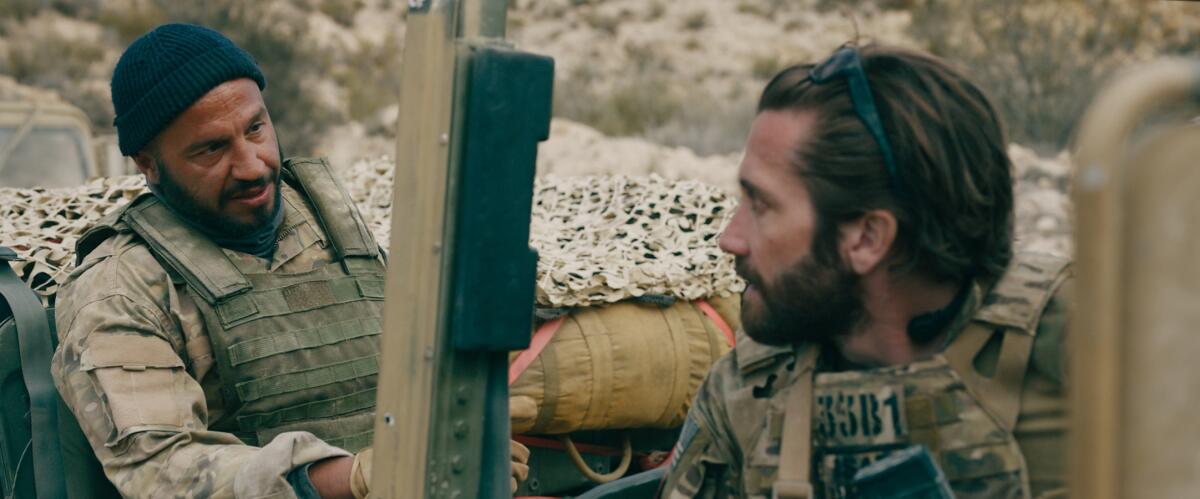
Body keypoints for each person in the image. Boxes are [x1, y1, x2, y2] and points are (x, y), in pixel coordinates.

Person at [50, 24, 527, 498]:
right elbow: (166, 471)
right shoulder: (119, 289)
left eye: (255, 128)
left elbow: (415, 361)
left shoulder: (332, 223)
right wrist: (359, 477)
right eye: (211, 148)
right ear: (147, 163)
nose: (253, 165)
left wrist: (466, 442)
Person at [661, 44, 1070, 499]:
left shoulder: (1085, 350)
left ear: (867, 238)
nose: (730, 239)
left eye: (761, 205)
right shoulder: (747, 391)